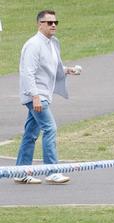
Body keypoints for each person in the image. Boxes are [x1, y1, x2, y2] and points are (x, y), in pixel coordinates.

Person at [15, 10, 80, 185]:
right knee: (50, 128)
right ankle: (52, 171)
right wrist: (35, 96)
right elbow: (27, 72)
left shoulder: (53, 43)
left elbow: (52, 66)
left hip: (44, 94)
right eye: (49, 22)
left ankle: (20, 172)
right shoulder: (33, 44)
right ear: (40, 24)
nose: (53, 25)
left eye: (55, 22)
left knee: (31, 133)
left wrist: (67, 70)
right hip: (36, 95)